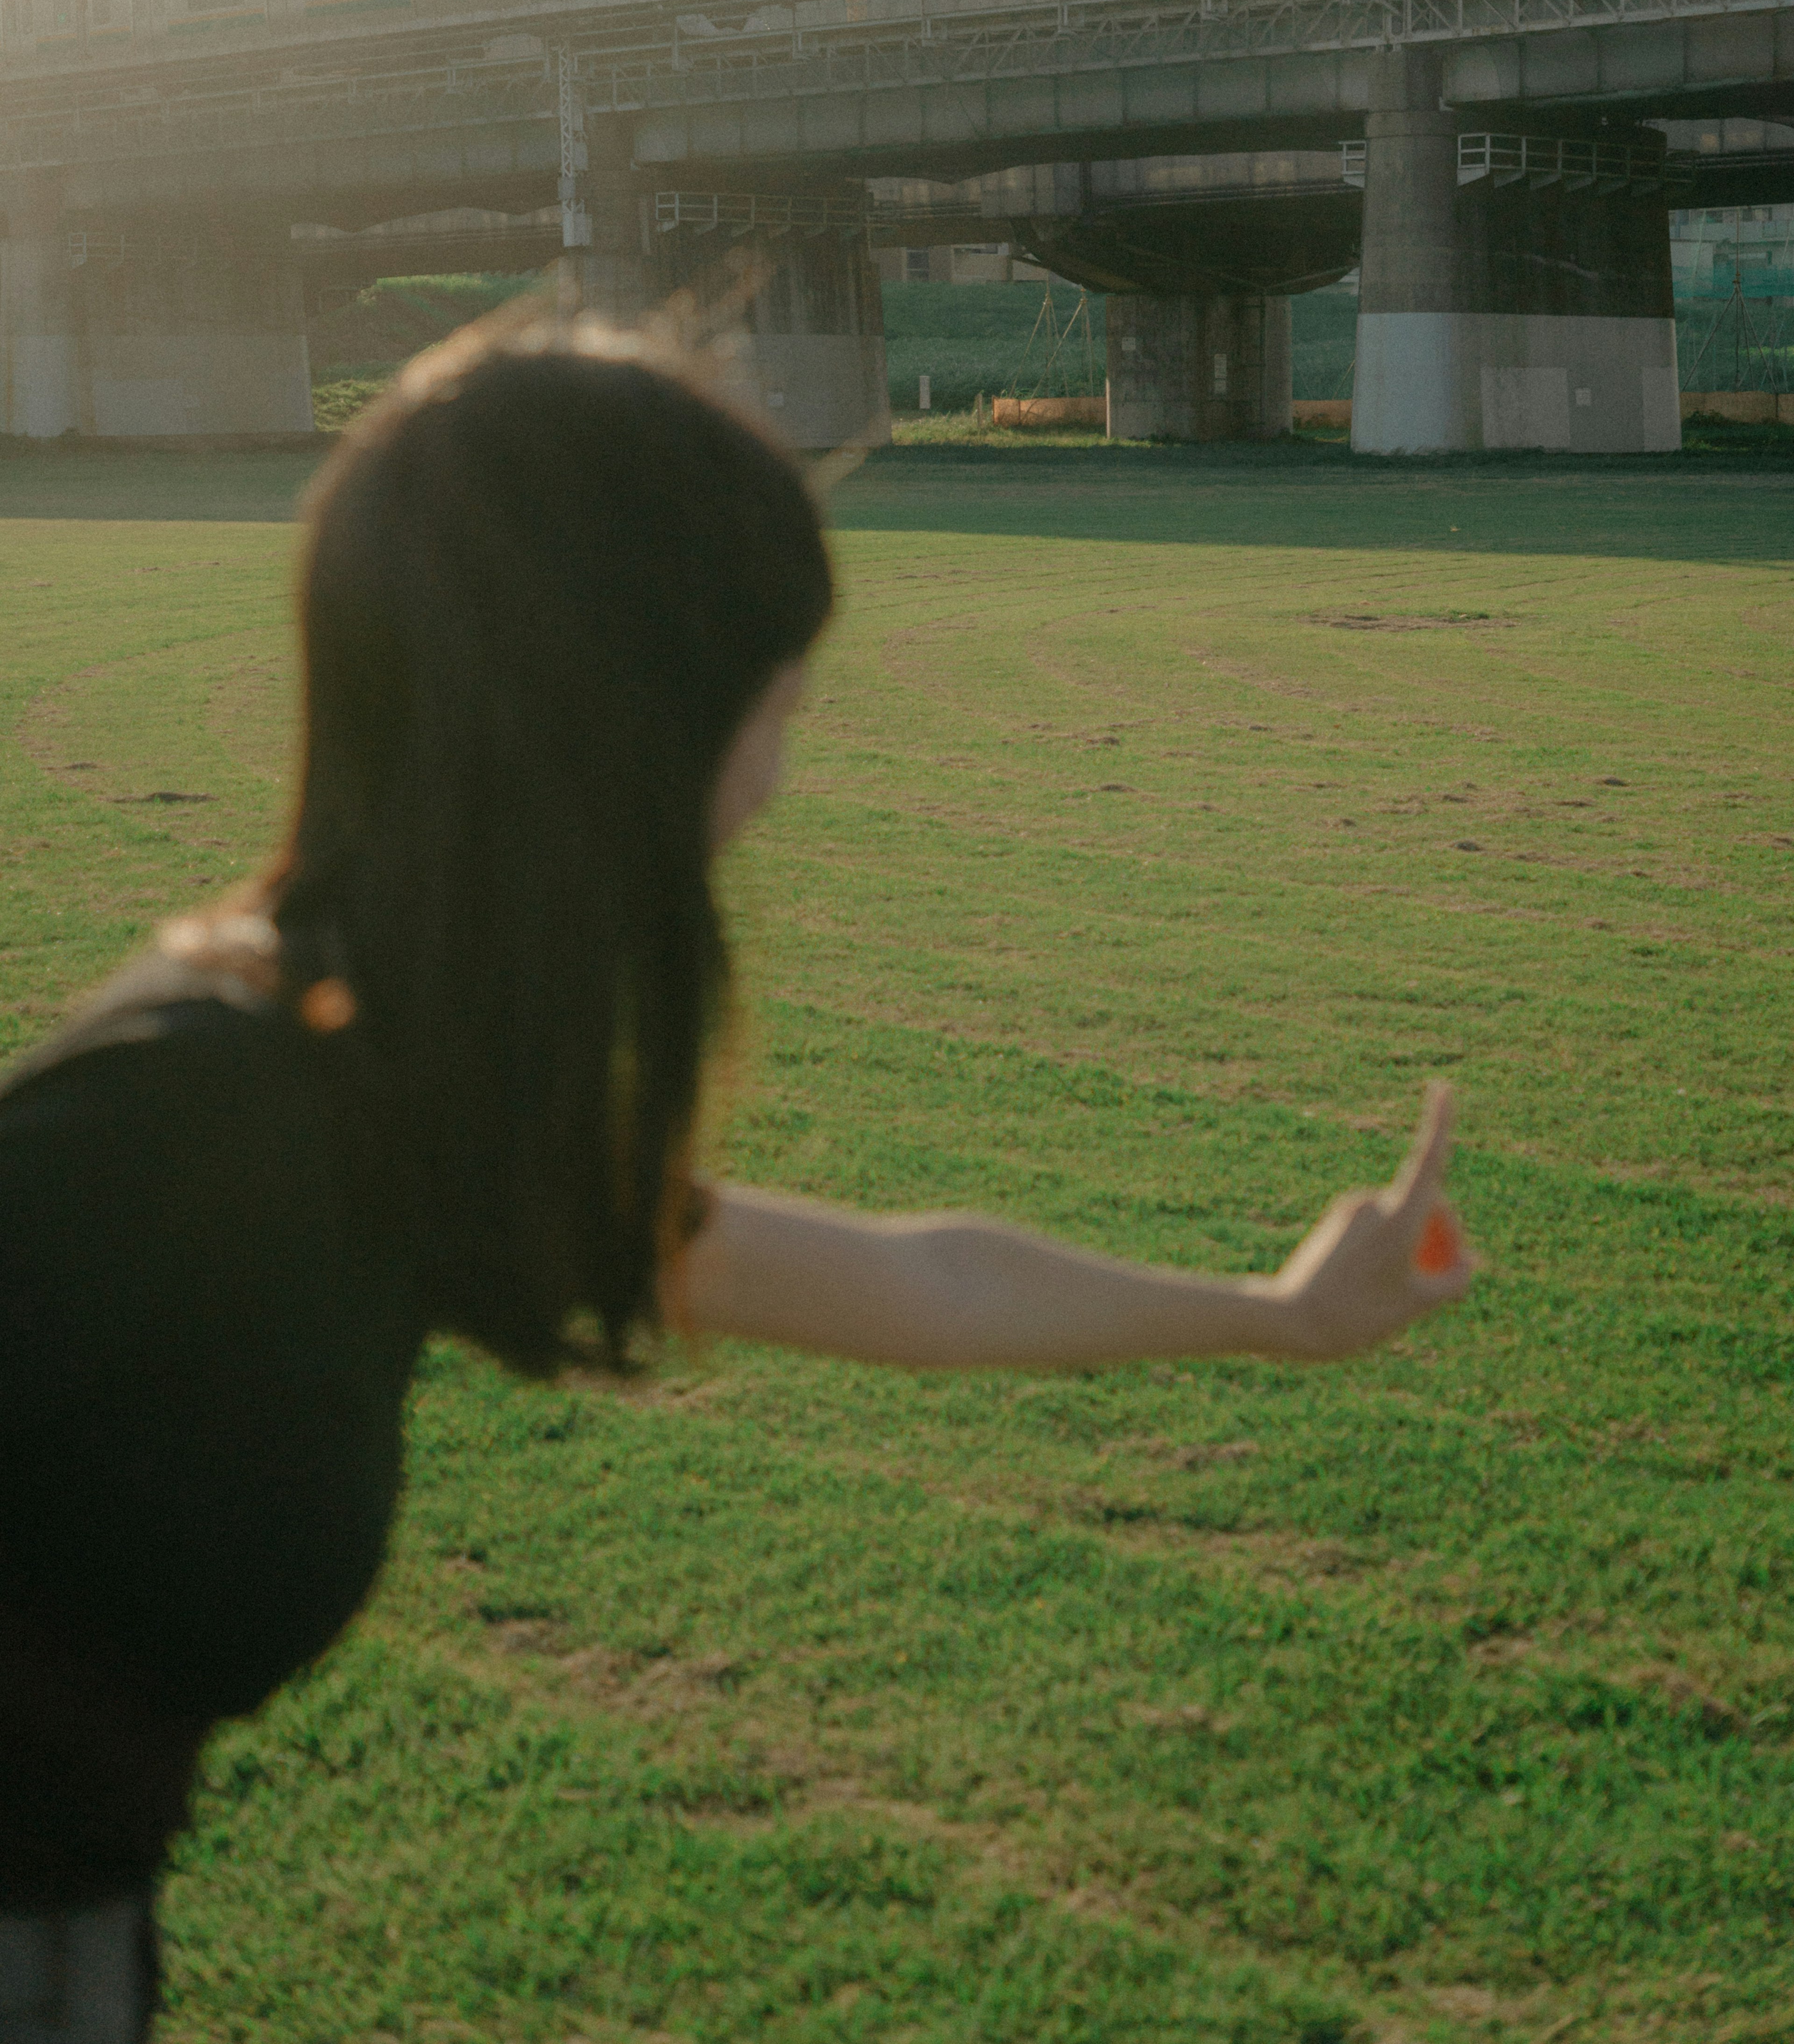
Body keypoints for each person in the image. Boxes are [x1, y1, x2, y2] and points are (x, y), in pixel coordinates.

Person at [0, 315, 1475, 2041]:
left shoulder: (385, 1079)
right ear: (610, 723)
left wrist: (1278, 1315)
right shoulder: (201, 1115)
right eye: (771, 706)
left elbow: (914, 1286)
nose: (778, 777)